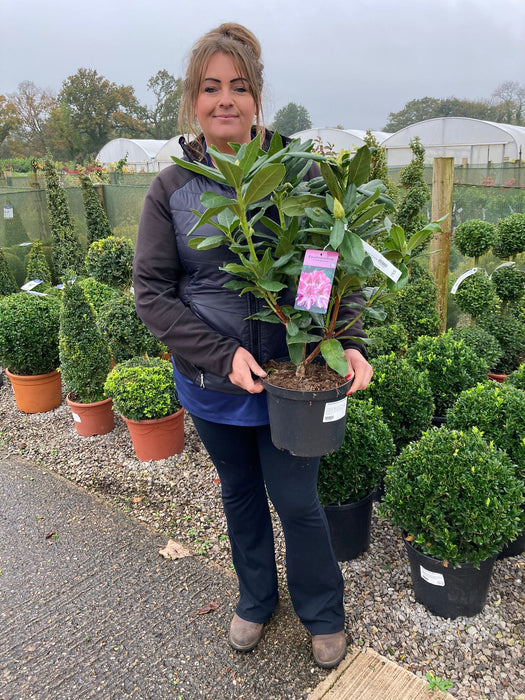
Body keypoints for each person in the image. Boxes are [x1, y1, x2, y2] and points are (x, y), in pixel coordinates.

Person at [133, 22, 373, 669]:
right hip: (211, 385)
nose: (224, 100)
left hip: (293, 383)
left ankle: (322, 612)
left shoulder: (295, 172)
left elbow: (326, 263)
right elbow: (152, 293)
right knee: (238, 492)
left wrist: (341, 340)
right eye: (210, 88)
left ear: (256, 96)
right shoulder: (172, 189)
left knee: (295, 499)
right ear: (193, 100)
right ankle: (254, 599)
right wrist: (219, 354)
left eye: (238, 86)